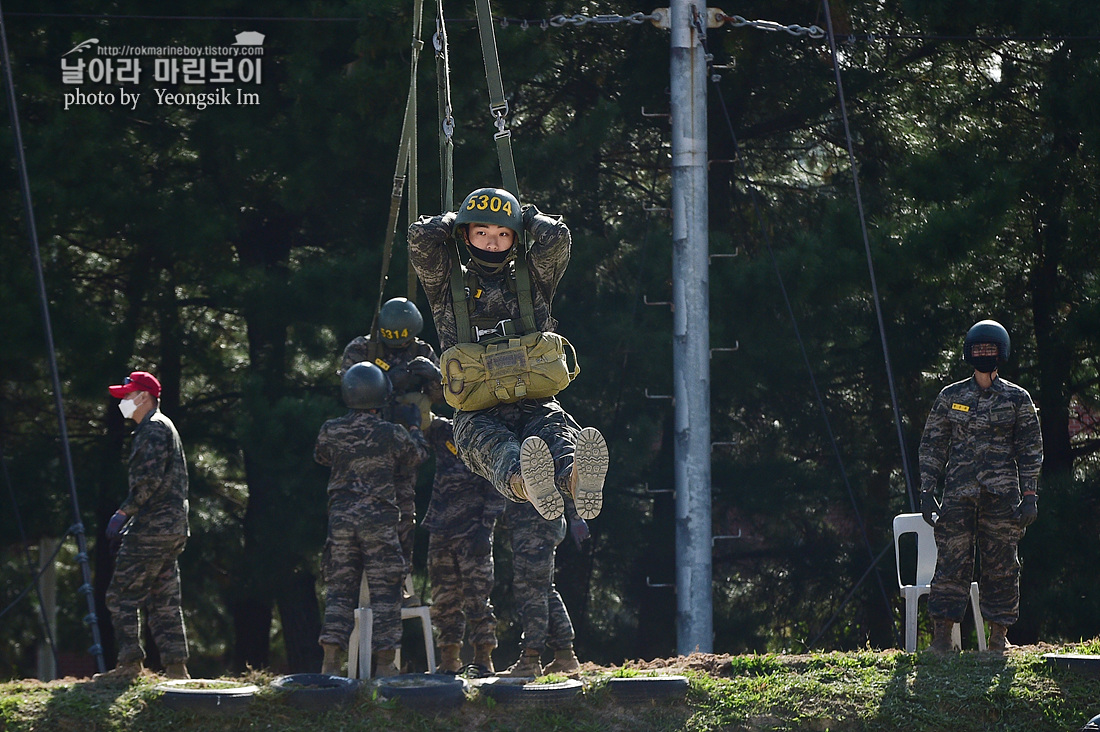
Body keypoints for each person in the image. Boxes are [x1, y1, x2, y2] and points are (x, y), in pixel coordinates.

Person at [407, 187, 608, 523]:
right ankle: (528, 484)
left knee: (557, 436)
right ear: (466, 235)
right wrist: (457, 218)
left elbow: (557, 238)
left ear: (515, 237)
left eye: (503, 233)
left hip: (537, 403)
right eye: (481, 231)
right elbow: (420, 238)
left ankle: (576, 478)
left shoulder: (532, 279)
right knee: (499, 449)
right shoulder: (447, 283)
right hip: (477, 413)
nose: (491, 242)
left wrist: (524, 215)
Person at [918, 319, 1043, 653]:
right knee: (950, 563)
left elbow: (1030, 448)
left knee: (1003, 565)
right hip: (958, 495)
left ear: (1001, 353)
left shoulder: (1018, 399)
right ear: (968, 353)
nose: (984, 354)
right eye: (978, 349)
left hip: (1003, 498)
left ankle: (999, 637)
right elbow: (933, 444)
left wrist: (1030, 495)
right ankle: (942, 638)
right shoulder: (951, 396)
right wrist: (927, 490)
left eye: (990, 349)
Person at [315, 362, 428, 676]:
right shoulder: (391, 433)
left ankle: (330, 664)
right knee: (387, 592)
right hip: (378, 522)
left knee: (338, 589)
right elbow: (417, 457)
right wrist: (415, 428)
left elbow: (321, 455)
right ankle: (383, 666)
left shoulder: (331, 429)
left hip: (340, 522)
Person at [339, 297, 443, 595]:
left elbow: (442, 397)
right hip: (366, 446)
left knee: (404, 511)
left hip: (404, 444)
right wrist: (387, 381)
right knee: (359, 511)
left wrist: (433, 379)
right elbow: (348, 391)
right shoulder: (361, 350)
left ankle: (399, 577)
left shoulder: (422, 351)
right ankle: (355, 577)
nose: (397, 347)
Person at [99, 371, 190, 680]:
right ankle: (177, 668)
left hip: (152, 526)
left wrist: (124, 512)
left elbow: (148, 480)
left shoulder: (151, 429)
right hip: (173, 527)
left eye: (127, 396)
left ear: (144, 397)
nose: (123, 403)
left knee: (121, 594)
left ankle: (128, 666)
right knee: (164, 598)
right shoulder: (166, 427)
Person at [422, 415, 507, 676]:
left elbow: (497, 487)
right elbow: (424, 416)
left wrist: (486, 529)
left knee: (477, 596)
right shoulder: (444, 431)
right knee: (444, 598)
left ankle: (483, 658)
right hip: (441, 529)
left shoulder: (487, 437)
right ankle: (449, 659)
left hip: (473, 530)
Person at [497, 497, 589, 677]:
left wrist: (576, 517)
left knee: (530, 589)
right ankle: (565, 655)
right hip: (537, 524)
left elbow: (567, 476)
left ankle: (531, 659)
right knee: (544, 588)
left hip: (533, 526)